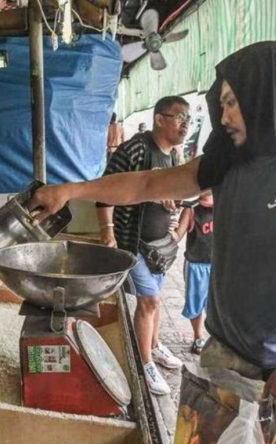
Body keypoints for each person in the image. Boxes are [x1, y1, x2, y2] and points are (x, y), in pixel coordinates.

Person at [30, 36, 276, 444]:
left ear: (268, 99)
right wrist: (71, 191)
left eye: (234, 102)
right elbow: (144, 185)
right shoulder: (227, 165)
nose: (224, 116)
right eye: (222, 104)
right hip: (225, 359)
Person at [96, 96, 190, 396]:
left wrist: (175, 222)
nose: (185, 124)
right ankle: (144, 363)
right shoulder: (135, 149)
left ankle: (153, 343)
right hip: (132, 240)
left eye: (188, 118)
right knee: (150, 302)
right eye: (179, 117)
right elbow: (105, 191)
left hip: (159, 246)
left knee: (155, 299)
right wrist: (107, 231)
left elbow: (174, 193)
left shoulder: (174, 155)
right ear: (159, 119)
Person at [172, 190, 213, 354]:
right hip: (196, 265)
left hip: (218, 266)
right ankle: (198, 337)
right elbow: (178, 235)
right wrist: (168, 229)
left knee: (217, 306)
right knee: (195, 304)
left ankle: (215, 339)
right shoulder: (191, 209)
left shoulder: (225, 207)